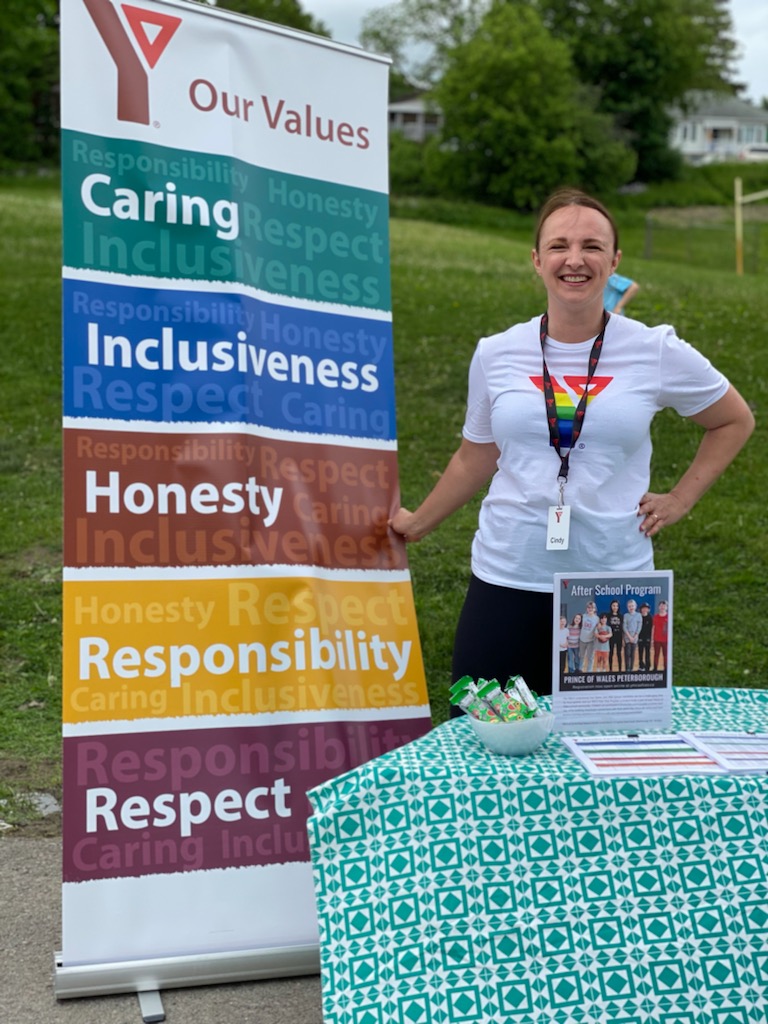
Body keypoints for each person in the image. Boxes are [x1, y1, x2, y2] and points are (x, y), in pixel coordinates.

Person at [389, 187, 754, 715]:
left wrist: (680, 499)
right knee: (488, 736)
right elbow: (476, 454)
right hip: (508, 576)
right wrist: (419, 523)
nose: (575, 259)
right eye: (559, 246)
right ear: (537, 260)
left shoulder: (654, 350)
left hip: (614, 589)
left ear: (615, 261)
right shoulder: (496, 353)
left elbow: (733, 420)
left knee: (608, 745)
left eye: (592, 246)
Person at [579, 601, 599, 673]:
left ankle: (589, 671)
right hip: (582, 639)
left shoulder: (597, 618)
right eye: (589, 607)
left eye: (592, 608)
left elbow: (598, 629)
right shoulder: (583, 616)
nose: (590, 609)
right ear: (586, 608)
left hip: (591, 641)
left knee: (590, 657)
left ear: (595, 609)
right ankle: (580, 670)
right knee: (581, 656)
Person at [622, 599, 642, 672]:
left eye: (632, 606)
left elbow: (639, 626)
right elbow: (624, 626)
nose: (631, 607)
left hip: (635, 638)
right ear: (627, 607)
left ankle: (631, 668)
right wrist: (629, 637)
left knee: (632, 654)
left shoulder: (639, 615)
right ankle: (627, 668)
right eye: (629, 606)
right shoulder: (626, 615)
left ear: (635, 606)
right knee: (627, 653)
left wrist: (635, 636)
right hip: (627, 637)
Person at [653, 600, 670, 670]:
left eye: (664, 606)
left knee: (665, 655)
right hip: (657, 639)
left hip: (666, 640)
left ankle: (665, 668)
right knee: (656, 654)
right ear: (659, 607)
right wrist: (652, 639)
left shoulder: (669, 617)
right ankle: (655, 668)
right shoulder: (655, 617)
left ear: (667, 607)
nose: (662, 607)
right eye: (661, 606)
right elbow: (653, 628)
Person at [607, 599, 623, 672]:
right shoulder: (608, 616)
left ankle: (620, 669)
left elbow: (622, 627)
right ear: (611, 606)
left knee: (619, 653)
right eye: (613, 606)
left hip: (619, 636)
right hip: (611, 637)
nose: (615, 607)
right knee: (611, 653)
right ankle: (610, 669)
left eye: (616, 606)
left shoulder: (621, 616)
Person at [638, 602, 653, 670]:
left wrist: (650, 638)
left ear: (648, 609)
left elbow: (652, 628)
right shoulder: (639, 617)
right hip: (640, 637)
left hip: (647, 637)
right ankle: (641, 665)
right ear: (641, 609)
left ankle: (648, 666)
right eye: (643, 608)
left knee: (647, 652)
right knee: (640, 652)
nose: (644, 610)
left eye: (646, 608)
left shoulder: (650, 617)